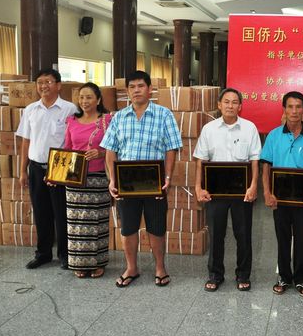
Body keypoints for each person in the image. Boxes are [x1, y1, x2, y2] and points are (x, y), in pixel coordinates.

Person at [101, 71, 182, 288]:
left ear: (150, 89)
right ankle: (131, 268)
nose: (136, 90)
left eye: (140, 86)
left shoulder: (164, 115)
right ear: (127, 91)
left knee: (156, 227)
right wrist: (112, 180)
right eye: (132, 87)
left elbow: (171, 149)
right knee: (128, 228)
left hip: (153, 182)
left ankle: (160, 268)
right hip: (126, 183)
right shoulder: (119, 117)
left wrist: (167, 177)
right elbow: (110, 150)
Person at [194, 88, 261, 292]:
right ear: (219, 105)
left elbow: (255, 160)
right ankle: (215, 275)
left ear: (240, 106)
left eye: (234, 102)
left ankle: (243, 275)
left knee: (243, 234)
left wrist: (254, 185)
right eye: (226, 102)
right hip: (216, 191)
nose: (230, 106)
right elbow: (201, 160)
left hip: (242, 190)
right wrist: (198, 187)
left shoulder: (249, 128)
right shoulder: (209, 129)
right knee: (216, 234)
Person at [260, 91, 303, 297]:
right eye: (290, 107)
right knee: (283, 238)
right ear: (284, 109)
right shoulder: (273, 135)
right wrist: (267, 193)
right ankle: (284, 277)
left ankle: (301, 279)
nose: (294, 111)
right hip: (280, 198)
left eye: (298, 107)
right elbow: (266, 167)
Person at [17, 69, 78, 270]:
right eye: (40, 82)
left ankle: (65, 255)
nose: (43, 86)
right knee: (41, 212)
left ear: (58, 85)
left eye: (48, 82)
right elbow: (26, 142)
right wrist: (22, 171)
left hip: (60, 167)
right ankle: (43, 254)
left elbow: (74, 141)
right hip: (36, 167)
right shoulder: (30, 109)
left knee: (61, 213)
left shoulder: (69, 109)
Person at [63, 82, 112, 278]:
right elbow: (67, 148)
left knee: (97, 221)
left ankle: (98, 263)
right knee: (76, 222)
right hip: (75, 178)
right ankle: (79, 262)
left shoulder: (107, 120)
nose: (84, 101)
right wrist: (56, 174)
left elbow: (115, 147)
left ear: (98, 100)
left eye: (89, 97)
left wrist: (101, 153)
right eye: (81, 97)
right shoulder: (71, 121)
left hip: (98, 177)